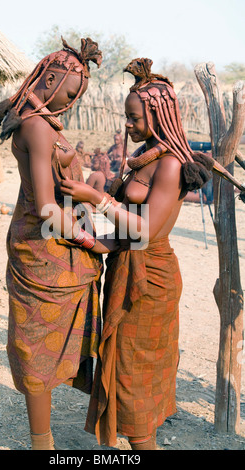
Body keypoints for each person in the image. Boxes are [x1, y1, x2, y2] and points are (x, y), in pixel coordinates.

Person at [60, 57, 223, 451]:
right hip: (127, 264)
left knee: (135, 375)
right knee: (120, 368)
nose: (127, 125)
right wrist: (86, 235)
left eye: (134, 118)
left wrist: (96, 198)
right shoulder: (146, 156)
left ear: (159, 115)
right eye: (125, 117)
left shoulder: (169, 164)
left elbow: (147, 232)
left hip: (150, 280)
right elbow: (125, 231)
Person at [0, 37, 117, 451]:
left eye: (78, 94)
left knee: (43, 345)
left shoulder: (41, 121)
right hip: (45, 247)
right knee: (37, 349)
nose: (72, 100)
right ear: (50, 78)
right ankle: (42, 446)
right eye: (69, 90)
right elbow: (46, 207)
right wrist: (90, 237)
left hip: (51, 242)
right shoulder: (38, 126)